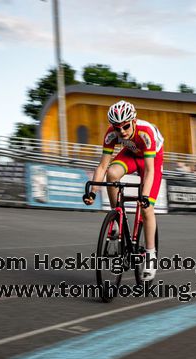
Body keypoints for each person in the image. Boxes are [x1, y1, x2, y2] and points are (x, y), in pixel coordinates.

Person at [83, 100, 164, 281]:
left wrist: (144, 196)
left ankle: (150, 256)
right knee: (112, 173)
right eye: (117, 128)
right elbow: (103, 166)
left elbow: (150, 170)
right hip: (131, 154)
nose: (122, 132)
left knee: (146, 208)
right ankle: (117, 219)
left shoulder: (146, 133)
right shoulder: (111, 134)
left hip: (151, 160)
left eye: (126, 126)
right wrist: (93, 191)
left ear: (133, 121)